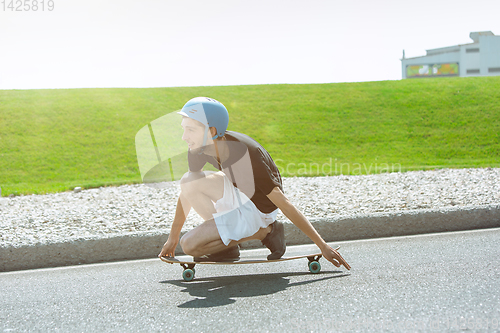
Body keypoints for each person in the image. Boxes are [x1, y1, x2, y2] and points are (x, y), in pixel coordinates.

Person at [158, 97, 350, 270]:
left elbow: (283, 203)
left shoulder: (248, 156)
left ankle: (264, 232)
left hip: (258, 208)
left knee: (190, 245)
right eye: (184, 129)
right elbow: (187, 192)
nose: (184, 137)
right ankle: (226, 248)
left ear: (212, 131)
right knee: (189, 180)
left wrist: (322, 246)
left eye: (190, 130)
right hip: (237, 191)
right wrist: (172, 237)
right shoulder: (198, 148)